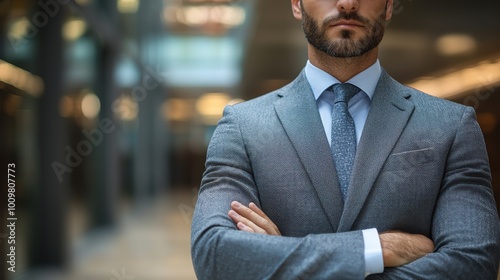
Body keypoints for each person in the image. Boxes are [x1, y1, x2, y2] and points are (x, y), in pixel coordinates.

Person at [191, 0, 500, 278]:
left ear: (389, 6)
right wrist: (376, 248)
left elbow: (473, 263)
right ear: (297, 5)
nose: (348, 3)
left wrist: (282, 256)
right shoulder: (242, 126)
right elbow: (214, 254)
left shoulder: (452, 126)